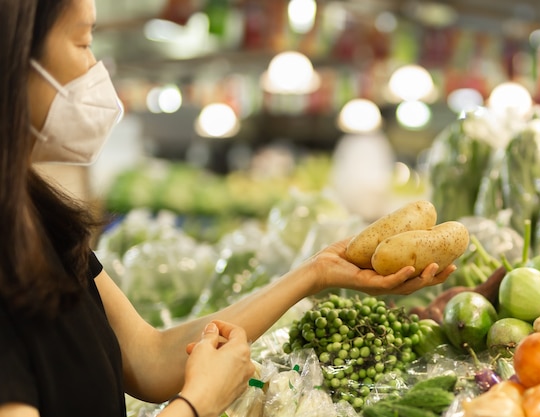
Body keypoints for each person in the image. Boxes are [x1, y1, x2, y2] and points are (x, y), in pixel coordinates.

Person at [0, 1, 456, 417]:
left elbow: (152, 356)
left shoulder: (39, 222)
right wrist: (198, 403)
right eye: (83, 42)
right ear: (14, 56)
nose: (95, 68)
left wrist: (315, 273)